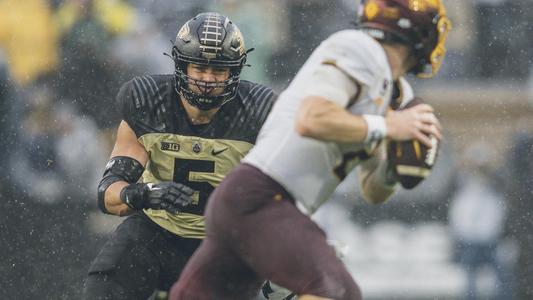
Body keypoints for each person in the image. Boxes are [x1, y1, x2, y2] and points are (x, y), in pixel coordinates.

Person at [169, 1, 451, 299]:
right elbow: (311, 119)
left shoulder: (395, 92)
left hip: (250, 204)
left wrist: (395, 167)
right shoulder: (360, 49)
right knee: (337, 292)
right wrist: (387, 125)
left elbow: (373, 190)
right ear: (415, 27)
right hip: (261, 196)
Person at [82, 12, 276, 300]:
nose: (208, 79)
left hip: (226, 244)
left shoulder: (260, 113)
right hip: (157, 233)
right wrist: (142, 194)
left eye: (218, 70)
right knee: (103, 289)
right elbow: (108, 194)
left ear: (234, 72)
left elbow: (285, 198)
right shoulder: (148, 102)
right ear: (182, 65)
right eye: (199, 67)